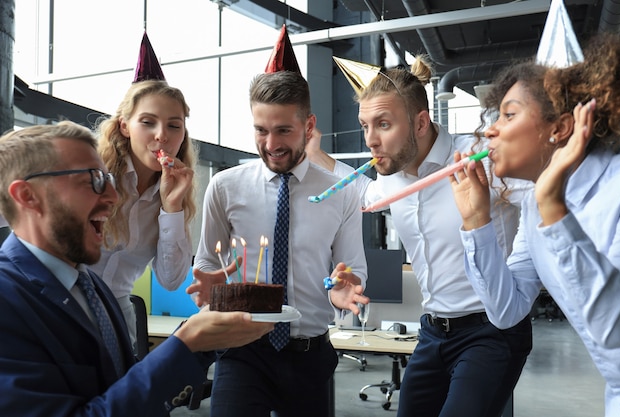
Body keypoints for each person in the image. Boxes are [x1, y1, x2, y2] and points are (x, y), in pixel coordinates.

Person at [307, 56, 532, 417]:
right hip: (432, 332)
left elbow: (541, 189)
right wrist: (314, 152)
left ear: (421, 122)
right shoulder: (390, 176)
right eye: (364, 126)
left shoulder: (480, 158)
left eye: (383, 125)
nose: (371, 140)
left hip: (491, 330)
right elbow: (362, 192)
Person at [0, 121, 273, 417]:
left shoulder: (92, 286)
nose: (113, 197)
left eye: (109, 181)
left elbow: (123, 390)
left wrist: (203, 340)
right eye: (93, 180)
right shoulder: (7, 300)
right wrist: (185, 345)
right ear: (27, 196)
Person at [449, 33, 620, 416]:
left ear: (559, 129)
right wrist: (477, 222)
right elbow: (506, 310)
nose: (491, 130)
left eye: (509, 115)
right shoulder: (533, 205)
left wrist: (553, 208)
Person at [187, 70, 369, 417]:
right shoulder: (225, 187)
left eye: (284, 130)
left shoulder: (340, 193)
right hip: (242, 351)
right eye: (261, 130)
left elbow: (352, 267)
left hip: (308, 355)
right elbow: (209, 263)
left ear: (309, 125)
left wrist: (344, 291)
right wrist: (213, 284)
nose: (271, 144)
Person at [92, 33, 197, 349]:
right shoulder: (92, 175)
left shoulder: (173, 193)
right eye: (148, 122)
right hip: (60, 313)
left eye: (174, 125)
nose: (162, 136)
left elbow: (171, 280)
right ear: (125, 126)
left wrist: (172, 207)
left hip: (118, 324)